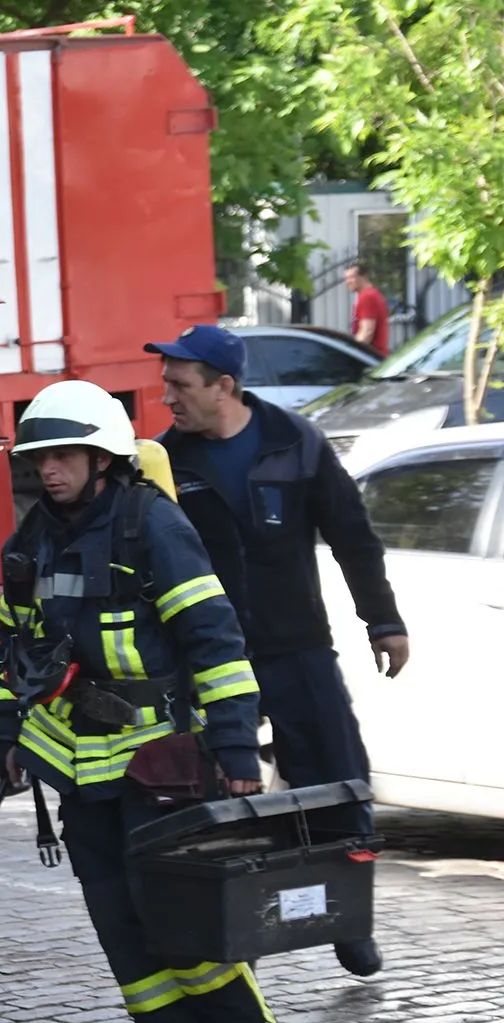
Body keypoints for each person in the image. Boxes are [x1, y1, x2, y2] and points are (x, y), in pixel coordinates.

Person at [0, 380, 275, 1023]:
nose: (48, 469)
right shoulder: (31, 540)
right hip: (77, 763)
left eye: (64, 456)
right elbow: (12, 645)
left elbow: (214, 638)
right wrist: (6, 732)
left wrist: (236, 746)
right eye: (40, 458)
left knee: (170, 903)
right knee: (115, 914)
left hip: (160, 760)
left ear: (104, 458)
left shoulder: (153, 528)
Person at [149, 324, 404, 979]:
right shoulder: (163, 463)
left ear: (223, 386)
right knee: (212, 803)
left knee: (337, 785)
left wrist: (382, 620)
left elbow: (353, 536)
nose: (167, 397)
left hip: (297, 648)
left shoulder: (295, 442)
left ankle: (349, 919)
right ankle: (233, 936)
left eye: (180, 385)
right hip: (209, 659)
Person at [346, 264, 390, 357]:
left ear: (364, 277)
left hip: (371, 357)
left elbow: (367, 332)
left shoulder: (367, 296)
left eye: (352, 277)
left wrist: (351, 353)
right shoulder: (371, 294)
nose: (348, 281)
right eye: (346, 278)